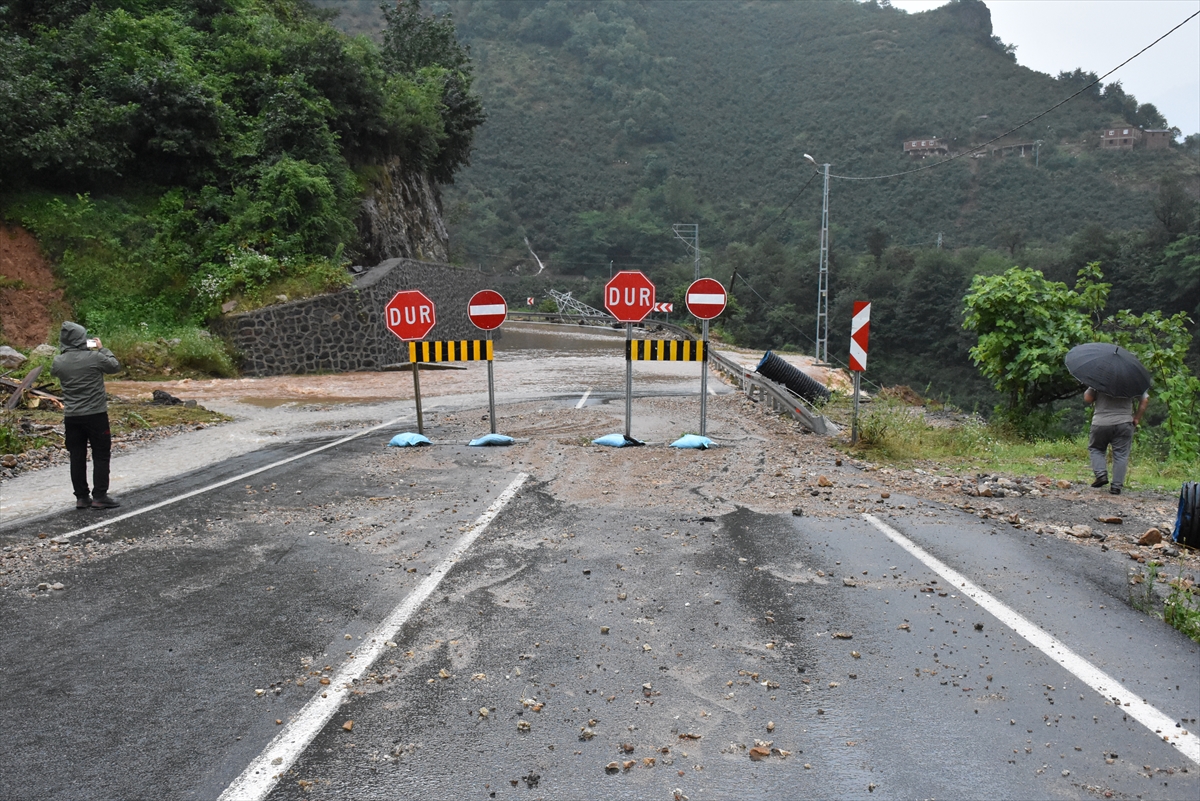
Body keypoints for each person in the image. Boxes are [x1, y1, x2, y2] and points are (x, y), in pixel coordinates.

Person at [50, 322, 122, 510]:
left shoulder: (59, 361)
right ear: (82, 339)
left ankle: (81, 497)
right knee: (100, 454)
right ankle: (99, 496)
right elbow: (115, 366)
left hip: (72, 416)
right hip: (96, 414)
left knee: (77, 456)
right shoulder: (95, 357)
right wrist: (102, 348)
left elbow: (54, 372)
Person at [1083, 386, 1149, 495]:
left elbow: (1088, 398)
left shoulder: (1100, 378)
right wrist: (1137, 418)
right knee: (1121, 455)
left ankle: (1101, 474)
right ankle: (1116, 486)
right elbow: (1145, 400)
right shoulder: (1131, 380)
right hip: (1124, 423)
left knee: (1096, 449)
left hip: (1101, 422)